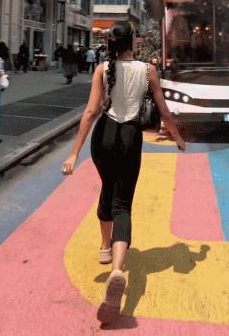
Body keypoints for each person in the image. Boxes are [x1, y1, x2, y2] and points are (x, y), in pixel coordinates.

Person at [60, 22, 187, 325]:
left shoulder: (102, 70)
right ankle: (117, 269)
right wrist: (178, 137)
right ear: (135, 41)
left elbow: (90, 112)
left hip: (102, 136)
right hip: (130, 137)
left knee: (106, 188)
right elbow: (164, 111)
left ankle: (104, 248)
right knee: (123, 203)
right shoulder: (148, 71)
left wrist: (74, 153)